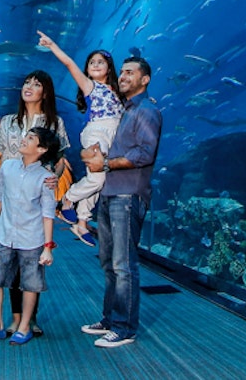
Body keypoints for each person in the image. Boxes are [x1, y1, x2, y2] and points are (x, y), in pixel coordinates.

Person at [80, 56, 162, 348]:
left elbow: (144, 154)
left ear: (145, 79)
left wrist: (106, 165)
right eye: (122, 72)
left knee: (123, 264)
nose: (123, 76)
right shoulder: (124, 110)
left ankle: (125, 328)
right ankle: (110, 319)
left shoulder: (147, 111)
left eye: (130, 72)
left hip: (128, 194)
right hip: (110, 193)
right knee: (108, 263)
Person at [0, 127, 60, 346]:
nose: (23, 140)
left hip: (32, 239)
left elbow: (48, 214)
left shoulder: (46, 178)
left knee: (30, 283)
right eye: (25, 136)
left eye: (30, 138)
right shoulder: (7, 167)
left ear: (42, 149)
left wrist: (48, 246)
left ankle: (24, 326)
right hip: (5, 234)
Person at [0, 70, 70, 336]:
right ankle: (16, 319)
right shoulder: (7, 122)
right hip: (12, 195)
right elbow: (4, 154)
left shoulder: (55, 123)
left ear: (45, 92)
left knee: (33, 260)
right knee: (10, 261)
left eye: (36, 84)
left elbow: (59, 159)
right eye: (27, 82)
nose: (29, 87)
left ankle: (30, 318)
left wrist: (55, 178)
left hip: (37, 197)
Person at [37, 31, 124, 246]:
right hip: (97, 132)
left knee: (99, 182)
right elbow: (69, 64)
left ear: (109, 67)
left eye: (100, 62)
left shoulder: (116, 90)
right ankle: (67, 199)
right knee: (98, 178)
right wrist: (53, 45)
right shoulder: (90, 86)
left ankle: (82, 222)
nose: (95, 64)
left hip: (113, 135)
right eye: (91, 62)